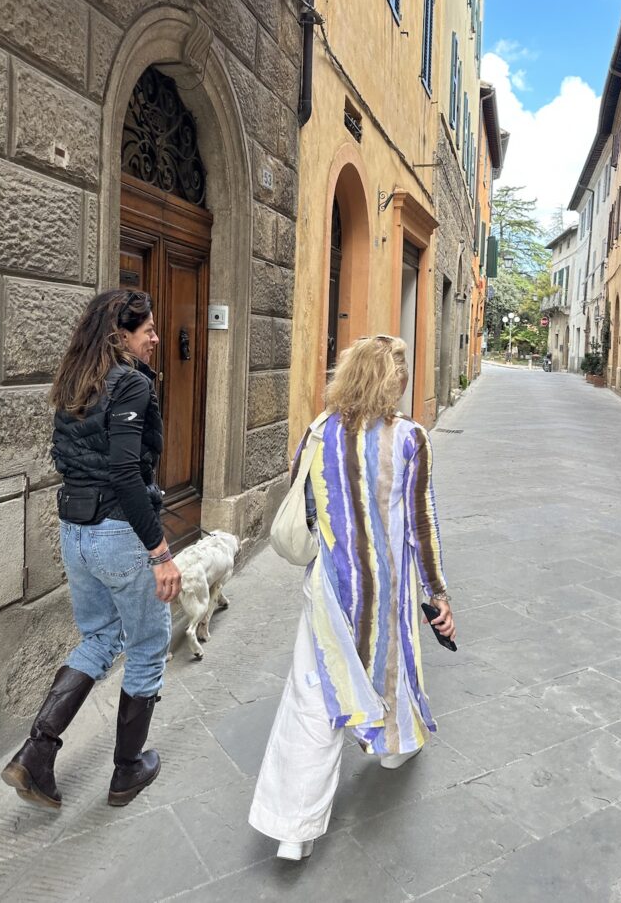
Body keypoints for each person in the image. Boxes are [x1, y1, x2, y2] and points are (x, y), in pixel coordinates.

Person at [249, 334, 455, 861]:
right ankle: (393, 748)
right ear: (393, 383)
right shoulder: (410, 439)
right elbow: (422, 526)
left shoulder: (319, 432)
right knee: (390, 667)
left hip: (330, 588)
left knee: (313, 695)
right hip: (386, 590)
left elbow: (302, 494)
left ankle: (293, 830)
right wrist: (438, 592)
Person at [1, 290, 181, 810]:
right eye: (146, 329)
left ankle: (36, 754)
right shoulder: (127, 384)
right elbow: (126, 472)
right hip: (119, 531)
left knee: (101, 637)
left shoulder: (73, 381)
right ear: (119, 335)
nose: (154, 338)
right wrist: (160, 551)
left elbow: (72, 459)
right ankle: (127, 772)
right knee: (147, 645)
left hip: (76, 530)